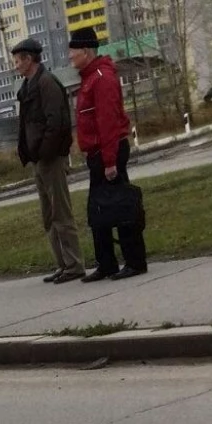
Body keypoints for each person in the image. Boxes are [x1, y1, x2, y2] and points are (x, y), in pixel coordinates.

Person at [68, 27, 148, 282]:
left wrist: (110, 161)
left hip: (108, 152)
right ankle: (107, 263)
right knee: (98, 210)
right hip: (96, 154)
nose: (70, 57)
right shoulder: (89, 78)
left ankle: (134, 260)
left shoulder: (102, 78)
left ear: (86, 51)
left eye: (73, 51)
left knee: (120, 206)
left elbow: (109, 122)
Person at [13, 38, 85, 284]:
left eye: (18, 60)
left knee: (61, 213)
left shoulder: (47, 84)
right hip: (38, 159)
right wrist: (26, 151)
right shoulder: (27, 87)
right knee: (48, 215)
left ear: (29, 59)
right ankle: (62, 264)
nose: (16, 66)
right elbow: (26, 125)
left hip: (51, 158)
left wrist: (45, 151)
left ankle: (74, 264)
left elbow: (57, 123)